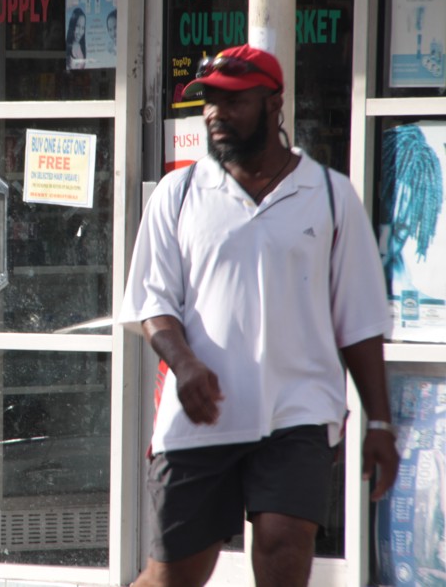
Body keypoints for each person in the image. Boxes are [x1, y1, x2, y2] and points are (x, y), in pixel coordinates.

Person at [118, 44, 399, 587]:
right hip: (202, 415)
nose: (214, 113)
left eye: (232, 101)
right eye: (208, 102)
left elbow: (360, 322)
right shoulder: (179, 193)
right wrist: (185, 364)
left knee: (283, 549)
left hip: (298, 414)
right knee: (172, 577)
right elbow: (153, 302)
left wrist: (380, 422)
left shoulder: (330, 195)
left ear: (274, 103)